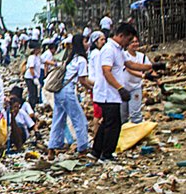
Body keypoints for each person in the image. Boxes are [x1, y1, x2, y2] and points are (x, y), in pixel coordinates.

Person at [92, 23, 154, 161]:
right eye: (128, 39)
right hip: (108, 94)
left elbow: (130, 64)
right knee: (113, 124)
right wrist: (120, 88)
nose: (129, 42)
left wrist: (150, 66)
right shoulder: (109, 49)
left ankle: (96, 151)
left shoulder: (118, 50)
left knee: (108, 122)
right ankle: (106, 154)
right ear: (121, 36)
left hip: (112, 93)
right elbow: (106, 71)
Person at [47, 33, 91, 158]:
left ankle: (52, 147)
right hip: (68, 91)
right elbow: (83, 80)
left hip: (59, 91)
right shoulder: (82, 60)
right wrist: (91, 89)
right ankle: (82, 148)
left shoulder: (71, 58)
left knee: (58, 119)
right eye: (85, 41)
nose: (87, 44)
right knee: (79, 119)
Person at [123, 36, 150, 124]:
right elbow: (128, 69)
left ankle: (138, 133)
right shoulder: (123, 55)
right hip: (123, 88)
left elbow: (149, 68)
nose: (135, 44)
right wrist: (143, 75)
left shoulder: (142, 57)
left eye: (136, 42)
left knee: (135, 113)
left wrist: (157, 80)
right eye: (132, 42)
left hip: (136, 87)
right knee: (122, 115)